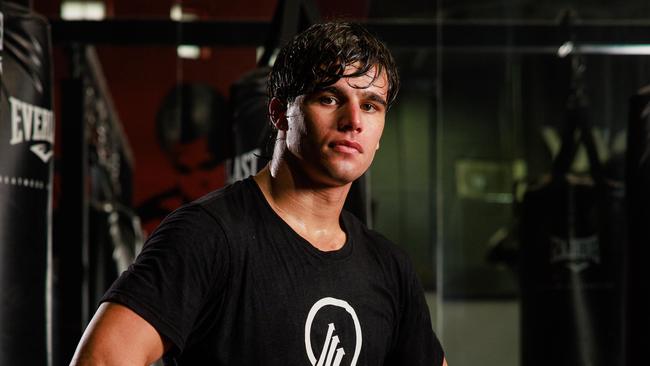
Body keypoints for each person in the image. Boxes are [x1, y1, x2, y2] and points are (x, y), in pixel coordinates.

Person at [71, 21, 447, 366]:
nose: (353, 121)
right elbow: (101, 360)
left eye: (370, 105)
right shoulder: (205, 235)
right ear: (280, 114)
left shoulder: (389, 267)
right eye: (329, 98)